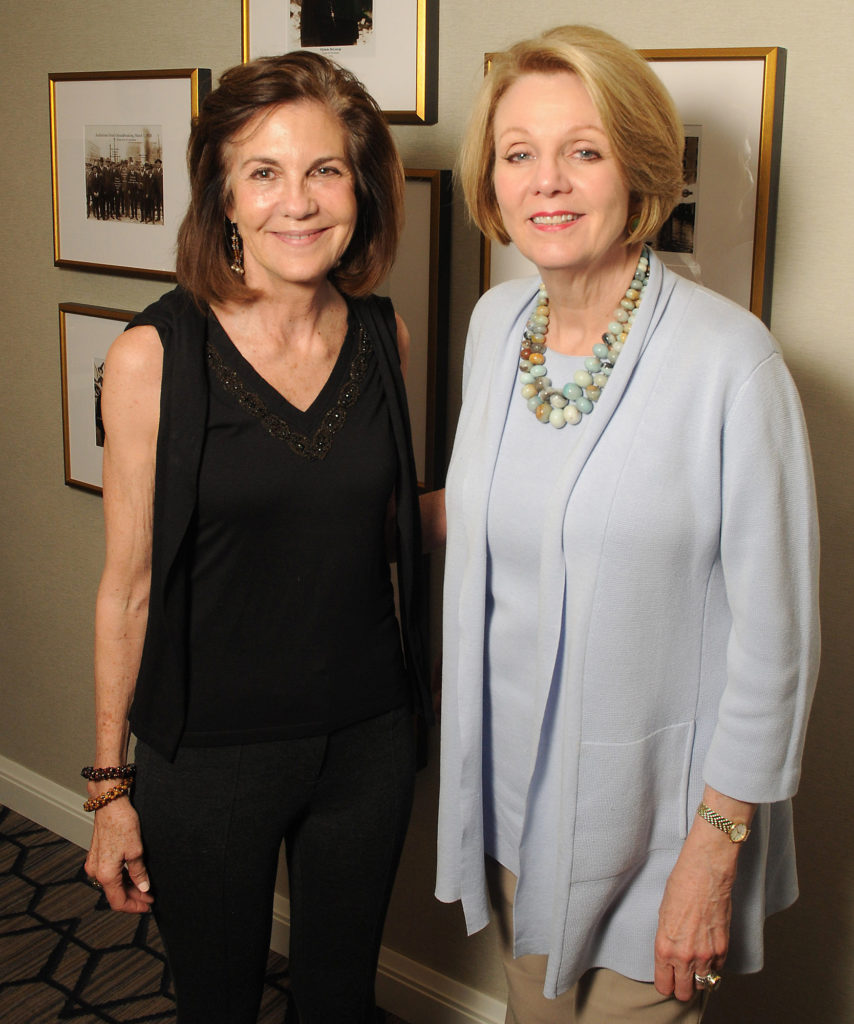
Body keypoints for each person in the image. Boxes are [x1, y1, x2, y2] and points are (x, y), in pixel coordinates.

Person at [436, 25, 819, 1024]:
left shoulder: (730, 364)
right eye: (517, 153)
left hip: (658, 832)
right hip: (517, 809)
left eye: (584, 149)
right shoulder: (496, 328)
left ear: (639, 169)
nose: (546, 183)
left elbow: (776, 645)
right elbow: (503, 521)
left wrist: (711, 853)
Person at [83, 50, 432, 1024]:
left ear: (358, 187)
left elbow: (385, 519)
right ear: (223, 197)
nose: (300, 202)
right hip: (209, 757)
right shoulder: (153, 356)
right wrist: (110, 786)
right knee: (218, 1005)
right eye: (264, 172)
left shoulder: (381, 338)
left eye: (324, 170)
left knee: (338, 1002)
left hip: (367, 740)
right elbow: (128, 586)